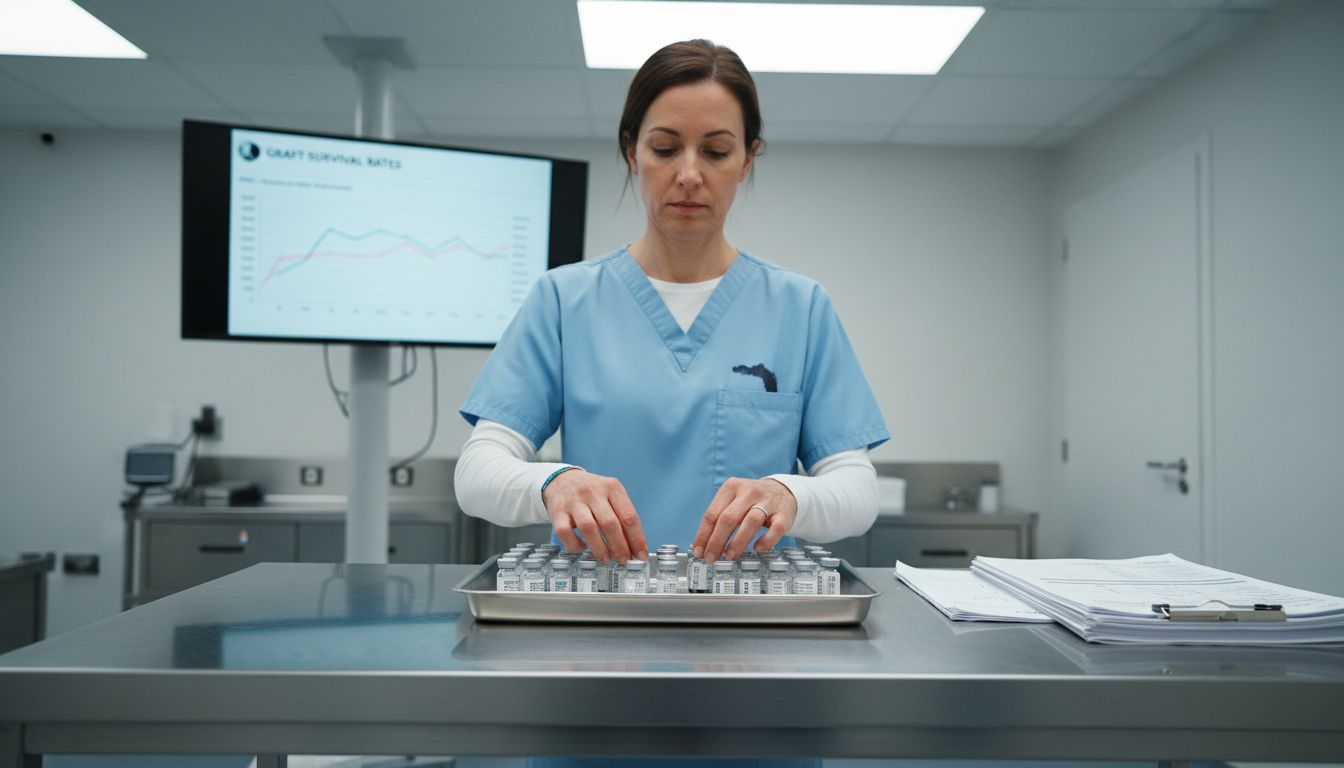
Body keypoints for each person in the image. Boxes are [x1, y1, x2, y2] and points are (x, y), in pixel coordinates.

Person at [455, 39, 888, 570]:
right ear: (631, 150)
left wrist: (790, 496)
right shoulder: (565, 301)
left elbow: (858, 489)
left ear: (748, 158)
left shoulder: (800, 308)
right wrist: (552, 482)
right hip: (604, 620)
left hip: (749, 626)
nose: (688, 174)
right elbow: (477, 472)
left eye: (715, 151)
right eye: (664, 148)